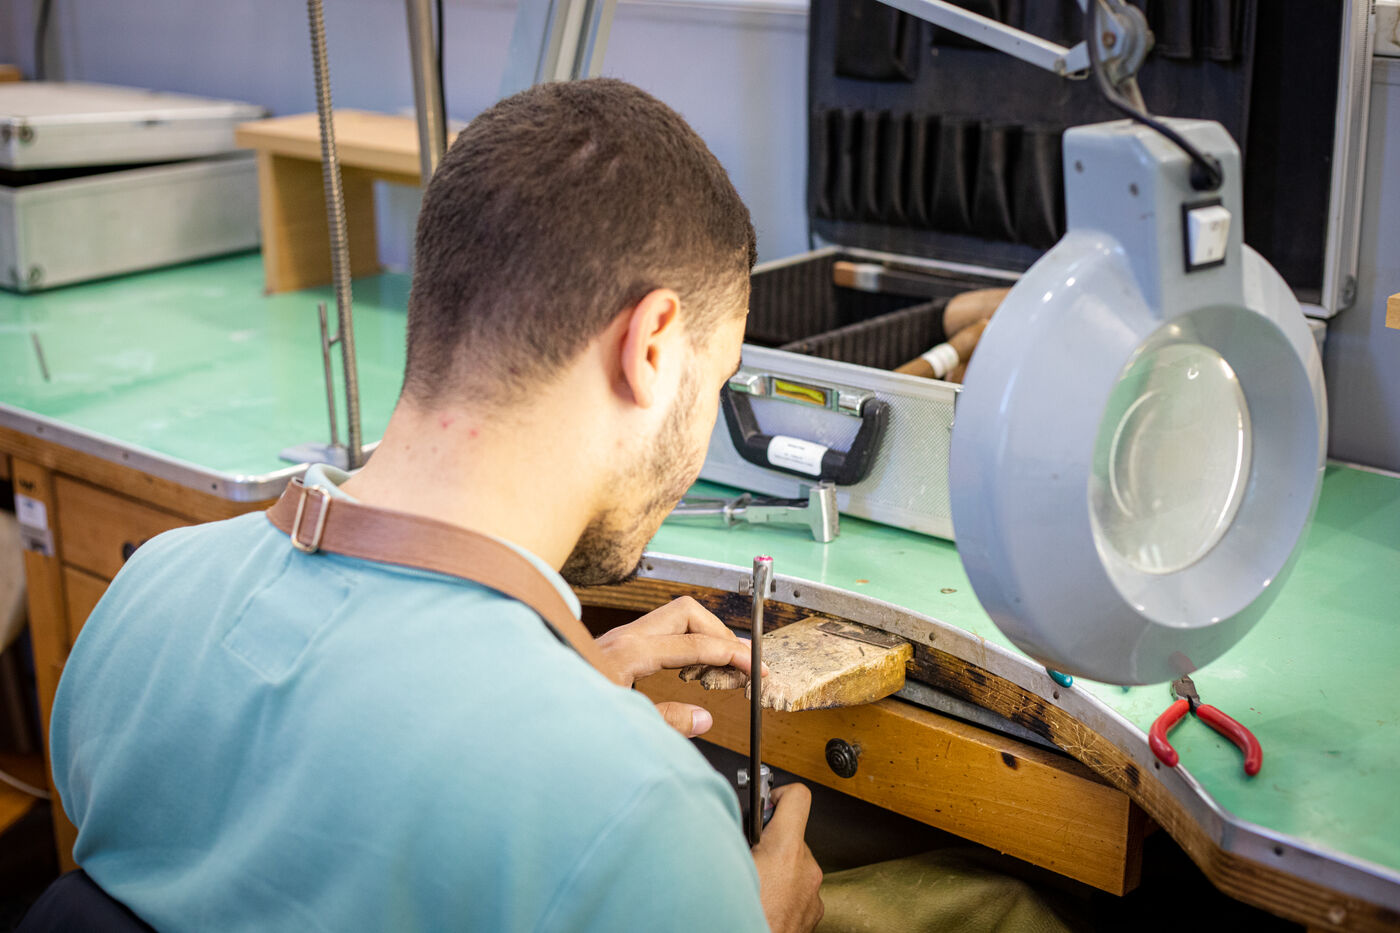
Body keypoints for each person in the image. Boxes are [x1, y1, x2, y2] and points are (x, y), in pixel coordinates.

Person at [47, 79, 824, 931]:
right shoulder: (643, 812)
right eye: (717, 380)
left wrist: (551, 694)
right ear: (651, 347)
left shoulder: (145, 597)